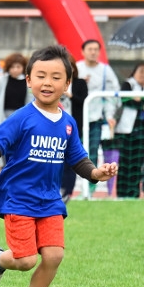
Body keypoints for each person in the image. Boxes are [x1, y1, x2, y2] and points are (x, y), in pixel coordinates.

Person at [0, 45, 118, 287]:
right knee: (25, 260)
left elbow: (77, 159)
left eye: (56, 77)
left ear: (67, 84)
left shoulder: (67, 123)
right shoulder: (23, 117)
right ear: (29, 80)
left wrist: (95, 174)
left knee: (54, 255)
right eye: (40, 76)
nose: (47, 82)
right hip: (18, 197)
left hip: (50, 199)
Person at [75, 39, 120, 195]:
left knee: (91, 152)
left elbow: (111, 95)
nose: (93, 52)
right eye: (90, 49)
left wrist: (109, 115)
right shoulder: (77, 68)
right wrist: (79, 83)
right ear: (83, 51)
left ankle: (89, 189)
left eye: (96, 49)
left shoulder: (106, 70)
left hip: (95, 118)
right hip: (75, 118)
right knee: (72, 153)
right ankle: (67, 187)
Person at [60, 56, 89, 203]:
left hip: (74, 127)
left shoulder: (80, 83)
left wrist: (71, 96)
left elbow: (85, 102)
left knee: (71, 161)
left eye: (70, 65)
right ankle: (56, 190)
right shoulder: (53, 83)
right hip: (56, 127)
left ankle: (67, 192)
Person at [115, 62, 144, 198]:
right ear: (135, 72)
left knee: (137, 165)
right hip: (128, 131)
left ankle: (135, 193)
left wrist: (138, 100)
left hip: (141, 132)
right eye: (141, 71)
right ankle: (122, 193)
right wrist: (138, 102)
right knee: (125, 163)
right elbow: (126, 101)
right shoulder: (128, 84)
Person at [0, 52, 31, 127]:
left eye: (18, 67)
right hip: (4, 117)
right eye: (12, 67)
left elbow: (30, 99)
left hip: (22, 117)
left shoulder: (28, 81)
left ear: (23, 67)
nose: (15, 70)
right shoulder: (1, 80)